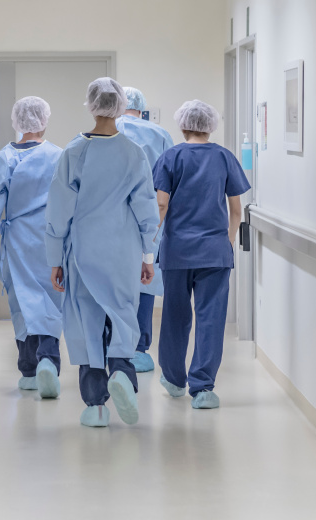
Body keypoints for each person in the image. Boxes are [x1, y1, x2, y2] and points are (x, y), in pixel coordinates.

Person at [45, 77, 160, 427]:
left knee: (86, 323)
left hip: (82, 253)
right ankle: (122, 371)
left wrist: (55, 260)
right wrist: (147, 256)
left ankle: (95, 405)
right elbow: (147, 211)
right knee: (123, 314)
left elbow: (58, 212)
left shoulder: (73, 153)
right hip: (123, 253)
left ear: (92, 105)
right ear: (122, 105)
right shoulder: (133, 153)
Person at [153, 100, 250, 409]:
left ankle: (173, 378)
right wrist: (228, 242)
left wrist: (149, 244)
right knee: (211, 318)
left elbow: (161, 205)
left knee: (174, 316)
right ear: (211, 126)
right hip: (215, 253)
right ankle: (203, 388)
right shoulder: (224, 157)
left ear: (182, 126)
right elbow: (236, 210)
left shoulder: (171, 157)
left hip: (178, 251)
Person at [0, 96, 66, 399]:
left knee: (23, 302)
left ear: (18, 122)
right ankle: (49, 362)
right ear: (44, 120)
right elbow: (71, 200)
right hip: (51, 238)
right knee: (51, 300)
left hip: (17, 240)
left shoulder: (6, 157)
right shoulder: (59, 156)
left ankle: (29, 370)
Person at [118, 87, 175, 373]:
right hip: (152, 218)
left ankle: (113, 347)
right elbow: (170, 183)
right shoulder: (160, 135)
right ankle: (139, 350)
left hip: (109, 221)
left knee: (111, 284)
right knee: (145, 277)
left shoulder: (106, 131)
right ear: (142, 109)